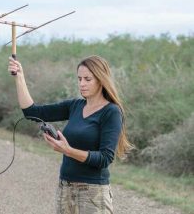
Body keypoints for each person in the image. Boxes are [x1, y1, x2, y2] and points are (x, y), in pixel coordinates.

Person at [8, 55, 133, 214]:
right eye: (79, 78)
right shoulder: (74, 106)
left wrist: (67, 150)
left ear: (101, 80)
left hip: (93, 194)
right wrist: (20, 77)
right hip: (65, 188)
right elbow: (32, 113)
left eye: (88, 79)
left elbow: (105, 158)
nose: (82, 83)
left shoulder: (111, 112)